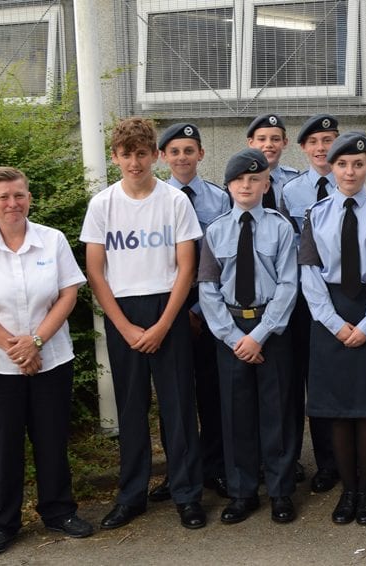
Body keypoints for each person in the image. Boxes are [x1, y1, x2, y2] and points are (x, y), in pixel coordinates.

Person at [0, 166, 94, 556]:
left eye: (19, 195)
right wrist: (17, 349)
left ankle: (59, 511)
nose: (13, 203)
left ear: (29, 197)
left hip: (51, 360)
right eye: (4, 197)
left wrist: (37, 341)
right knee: (2, 446)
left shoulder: (53, 240)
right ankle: (2, 522)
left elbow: (68, 295)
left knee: (51, 439)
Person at [80, 117, 206, 530]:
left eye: (141, 154)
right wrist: (125, 327)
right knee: (131, 410)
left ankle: (188, 494)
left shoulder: (174, 201)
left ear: (155, 155)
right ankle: (131, 495)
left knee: (179, 408)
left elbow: (187, 267)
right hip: (124, 315)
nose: (134, 162)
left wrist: (164, 324)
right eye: (125, 154)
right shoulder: (102, 204)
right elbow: (96, 272)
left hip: (167, 310)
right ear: (115, 157)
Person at [298, 132, 366, 525]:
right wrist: (336, 324)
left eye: (358, 164)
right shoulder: (317, 214)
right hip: (331, 314)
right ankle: (348, 491)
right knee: (338, 411)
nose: (350, 171)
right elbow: (309, 275)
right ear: (331, 167)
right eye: (342, 164)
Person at [198, 148, 300, 525]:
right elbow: (207, 287)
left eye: (254, 178)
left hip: (269, 329)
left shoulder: (280, 227)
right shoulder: (216, 230)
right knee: (235, 414)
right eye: (239, 179)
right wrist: (232, 337)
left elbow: (289, 284)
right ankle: (242, 492)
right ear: (228, 185)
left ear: (266, 183)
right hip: (230, 332)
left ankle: (280, 491)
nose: (246, 184)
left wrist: (259, 334)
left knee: (277, 414)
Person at [146, 123, 231, 503]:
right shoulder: (153, 200)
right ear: (163, 157)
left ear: (201, 154)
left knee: (213, 393)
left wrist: (200, 308)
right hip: (168, 307)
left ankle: (216, 467)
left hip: (210, 305)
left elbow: (229, 256)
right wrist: (180, 311)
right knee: (173, 395)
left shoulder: (220, 198)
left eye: (189, 150)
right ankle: (179, 471)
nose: (182, 157)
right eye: (175, 151)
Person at [279, 114, 342, 494]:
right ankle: (320, 461)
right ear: (303, 148)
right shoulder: (292, 191)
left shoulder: (349, 183)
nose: (322, 148)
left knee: (332, 378)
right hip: (303, 298)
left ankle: (339, 458)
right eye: (315, 142)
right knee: (306, 377)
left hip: (340, 293)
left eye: (329, 140)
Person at [247, 113, 300, 198]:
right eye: (262, 139)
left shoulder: (295, 180)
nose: (269, 144)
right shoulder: (241, 181)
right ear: (251, 143)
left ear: (285, 143)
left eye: (275, 139)